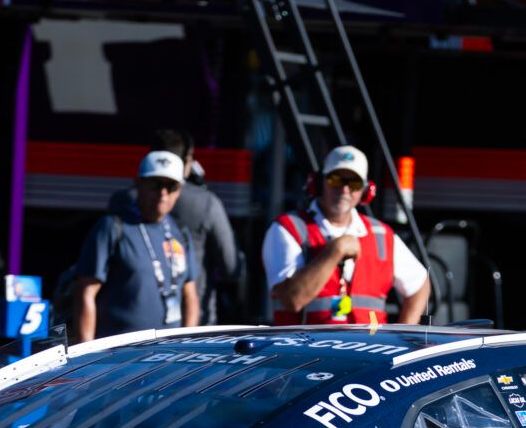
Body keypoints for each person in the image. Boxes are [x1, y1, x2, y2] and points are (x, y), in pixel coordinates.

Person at [264, 146, 430, 325]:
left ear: (366, 191)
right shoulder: (288, 229)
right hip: (306, 351)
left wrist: (403, 335)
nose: (344, 189)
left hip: (370, 350)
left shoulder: (381, 235)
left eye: (354, 183)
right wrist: (335, 251)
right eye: (336, 179)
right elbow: (292, 299)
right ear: (319, 183)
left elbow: (420, 285)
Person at [67, 151, 199, 342]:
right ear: (138, 183)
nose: (163, 193)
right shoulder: (113, 227)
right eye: (155, 184)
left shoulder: (180, 233)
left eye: (171, 186)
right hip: (120, 356)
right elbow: (86, 292)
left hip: (168, 356)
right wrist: (86, 355)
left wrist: (187, 345)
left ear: (179, 191)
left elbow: (190, 294)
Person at [156, 129, 239, 325]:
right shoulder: (206, 203)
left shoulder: (125, 201)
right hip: (193, 325)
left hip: (139, 328)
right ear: (185, 162)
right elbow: (231, 267)